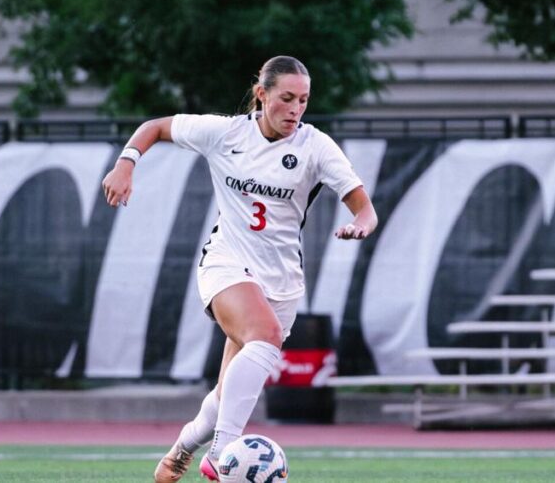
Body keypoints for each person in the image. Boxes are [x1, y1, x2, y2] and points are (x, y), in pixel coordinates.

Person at [102, 56, 378, 482]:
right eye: (286, 98)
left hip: (282, 283)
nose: (295, 109)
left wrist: (361, 224)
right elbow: (155, 126)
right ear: (261, 94)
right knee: (264, 336)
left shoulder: (315, 146)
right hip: (226, 263)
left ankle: (182, 448)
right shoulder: (225, 133)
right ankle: (219, 456)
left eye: (303, 100)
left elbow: (365, 208)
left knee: (227, 390)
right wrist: (127, 161)